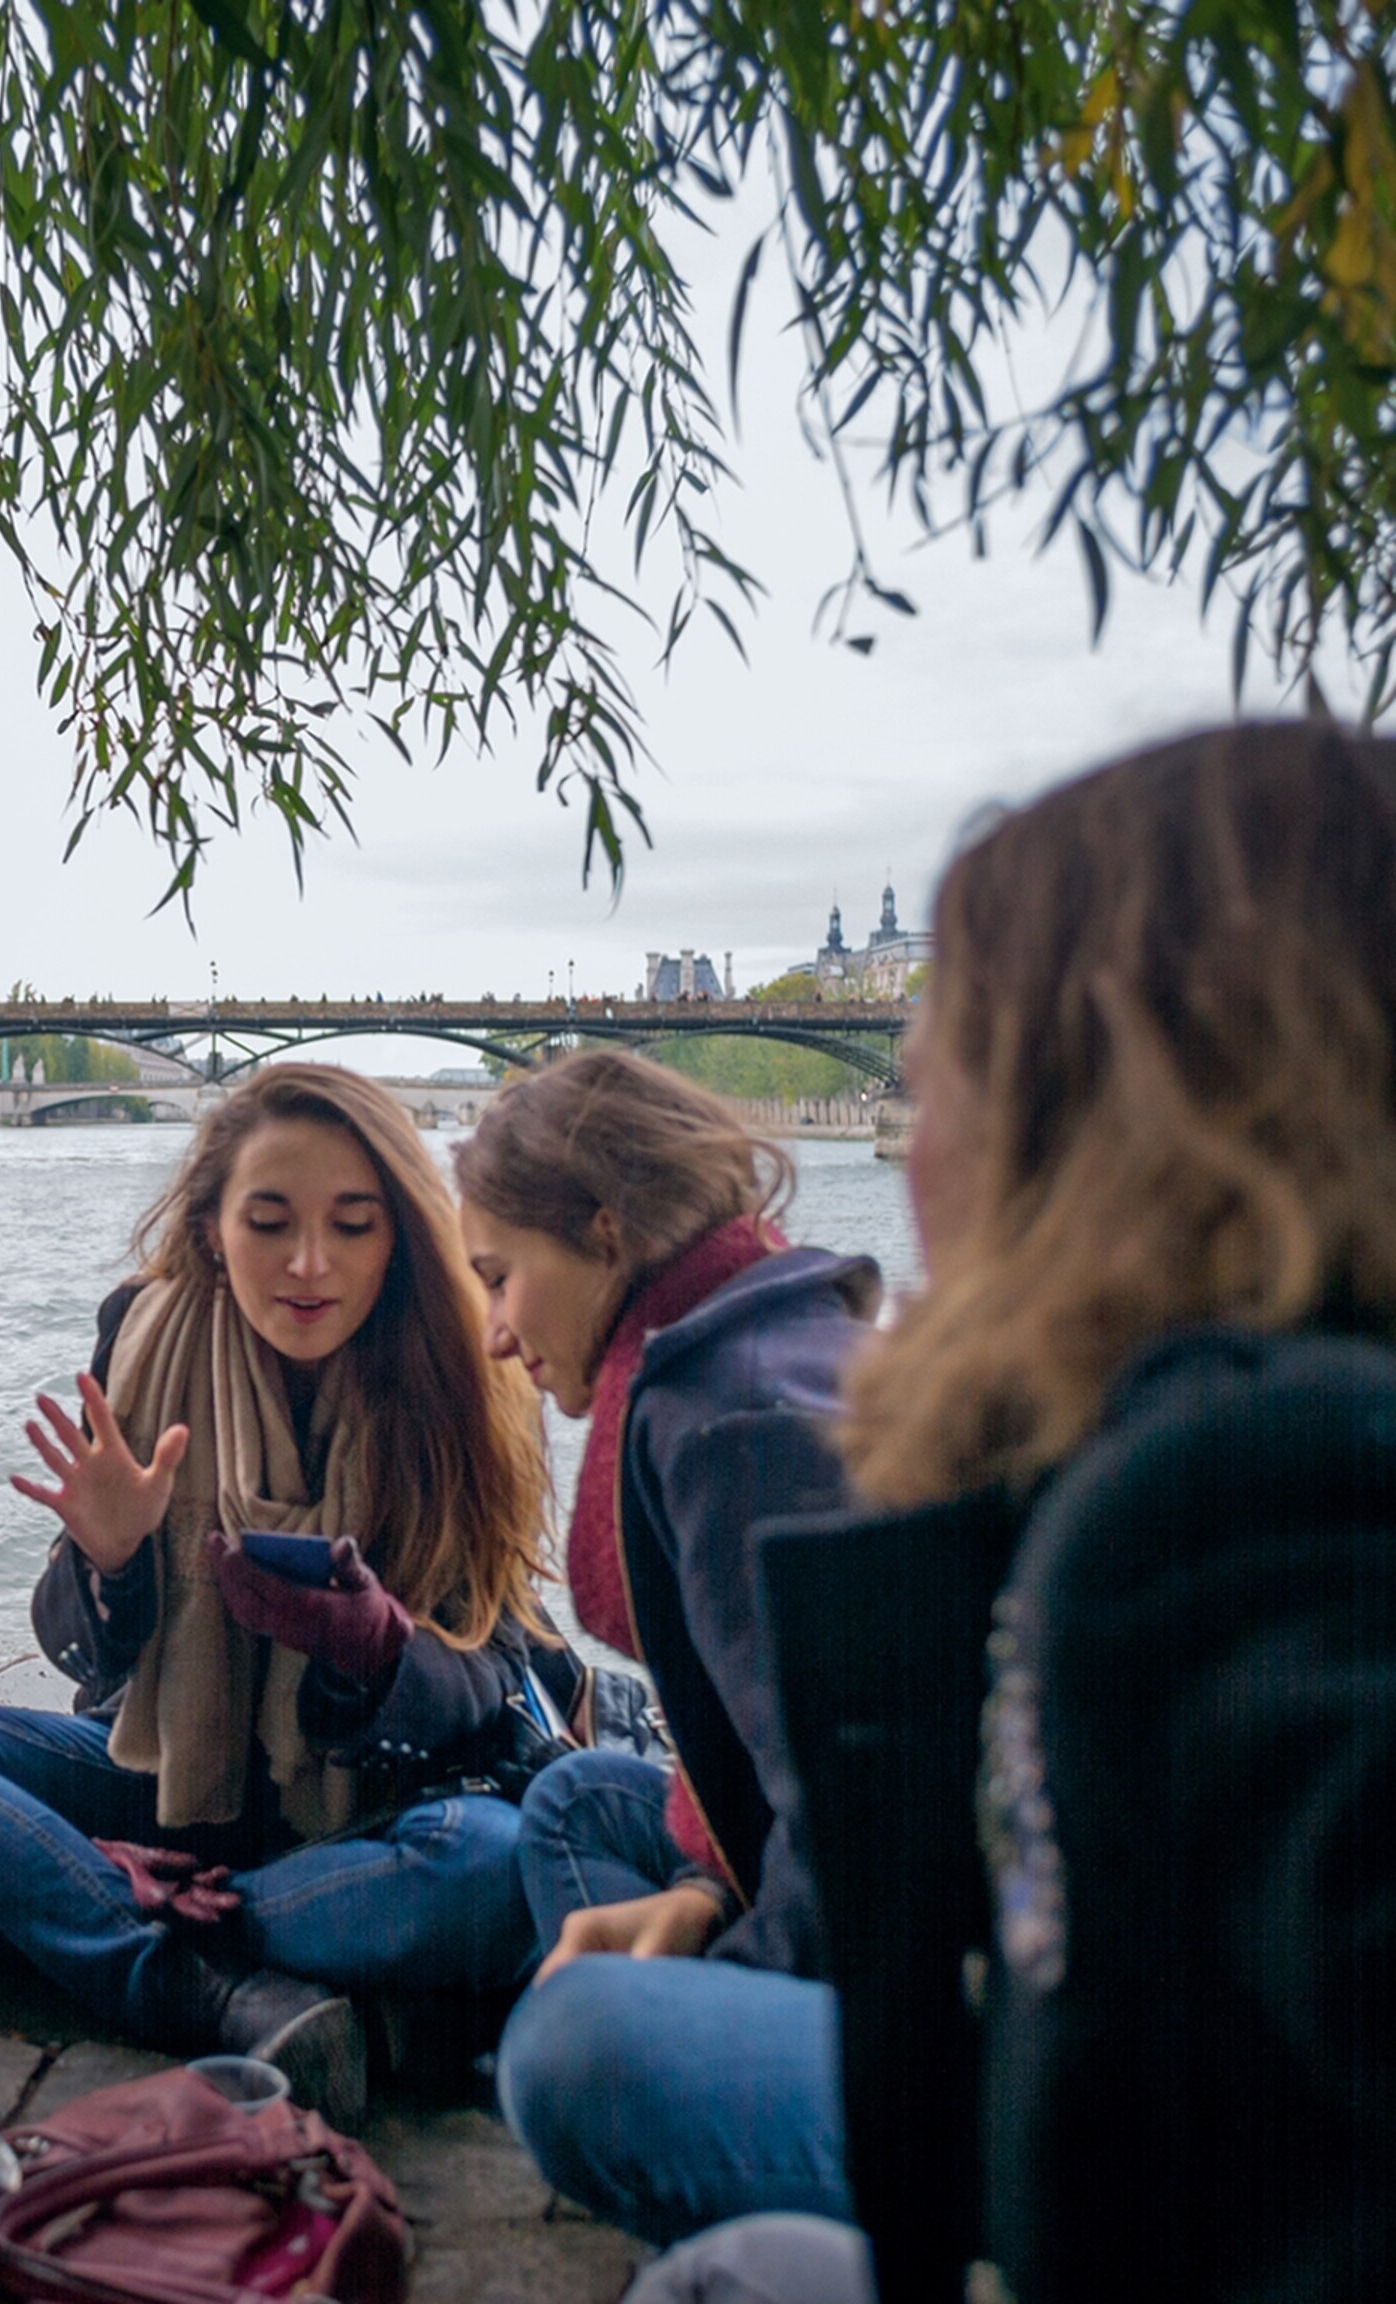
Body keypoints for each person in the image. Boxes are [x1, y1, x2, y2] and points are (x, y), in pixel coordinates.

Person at [770, 723, 1396, 2304]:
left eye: (936, 1087)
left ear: (1089, 1115)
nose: (904, 1158)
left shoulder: (1237, 1513)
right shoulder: (1263, 1440)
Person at [0, 1065, 564, 2123]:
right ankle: (198, 1979)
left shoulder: (462, 1376)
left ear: (400, 1237)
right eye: (269, 1222)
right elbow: (95, 1672)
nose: (309, 1264)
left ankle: (114, 1918)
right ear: (210, 1229)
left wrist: (379, 1652)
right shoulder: (142, 1338)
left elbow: (505, 1680)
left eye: (353, 1225)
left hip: (367, 1810)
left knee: (493, 1863)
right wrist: (110, 1565)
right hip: (161, 1783)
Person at [446, 1049, 877, 2247]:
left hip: (911, 1964)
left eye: (501, 1277)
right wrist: (697, 1895)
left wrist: (732, 1967)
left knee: (570, 2055)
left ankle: (713, 2196)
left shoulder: (728, 1431)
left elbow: (863, 1823)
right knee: (581, 1796)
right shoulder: (769, 1335)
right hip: (864, 1869)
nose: (491, 1335)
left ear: (603, 1231)